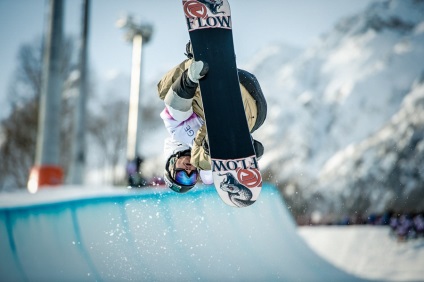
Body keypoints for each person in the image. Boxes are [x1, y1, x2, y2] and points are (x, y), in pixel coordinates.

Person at [157, 42, 267, 193]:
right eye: (191, 178)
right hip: (252, 112)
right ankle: (219, 143)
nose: (188, 171)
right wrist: (248, 153)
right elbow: (215, 172)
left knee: (164, 91)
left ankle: (200, 60)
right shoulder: (207, 173)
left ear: (171, 165)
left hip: (233, 82)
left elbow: (173, 107)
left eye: (181, 175)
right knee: (203, 161)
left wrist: (189, 80)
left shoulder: (176, 131)